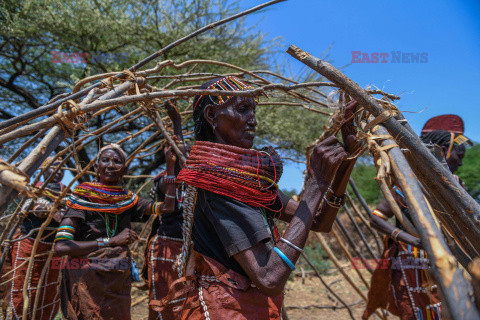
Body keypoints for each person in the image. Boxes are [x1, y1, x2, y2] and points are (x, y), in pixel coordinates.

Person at [149, 76, 360, 319]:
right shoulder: (216, 182)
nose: (254, 120)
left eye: (253, 109)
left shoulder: (247, 182)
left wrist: (346, 162)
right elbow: (269, 278)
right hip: (226, 310)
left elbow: (319, 222)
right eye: (242, 109)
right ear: (211, 115)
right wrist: (317, 185)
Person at [362, 115, 471, 320]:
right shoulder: (409, 183)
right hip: (412, 263)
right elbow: (376, 219)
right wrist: (415, 241)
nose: (461, 163)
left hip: (445, 263)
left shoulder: (458, 186)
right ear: (443, 152)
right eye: (459, 155)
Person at [54, 144, 173, 320]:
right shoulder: (81, 198)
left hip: (118, 278)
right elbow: (61, 246)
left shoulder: (128, 200)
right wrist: (110, 241)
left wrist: (170, 165)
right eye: (105, 160)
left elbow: (167, 207)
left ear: (124, 170)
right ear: (96, 167)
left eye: (117, 161)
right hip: (87, 279)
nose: (111, 165)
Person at [0, 157, 66, 320]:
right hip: (29, 244)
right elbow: (29, 207)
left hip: (55, 249)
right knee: (24, 283)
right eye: (53, 167)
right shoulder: (34, 187)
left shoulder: (67, 191)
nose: (58, 171)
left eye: (62, 168)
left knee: (49, 288)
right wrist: (49, 210)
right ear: (44, 170)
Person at [144, 136, 185, 320]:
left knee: (186, 300)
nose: (188, 156)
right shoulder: (163, 180)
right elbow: (168, 204)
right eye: (182, 154)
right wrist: (170, 167)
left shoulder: (194, 183)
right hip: (166, 247)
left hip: (189, 249)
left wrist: (177, 123)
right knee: (164, 300)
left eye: (191, 153)